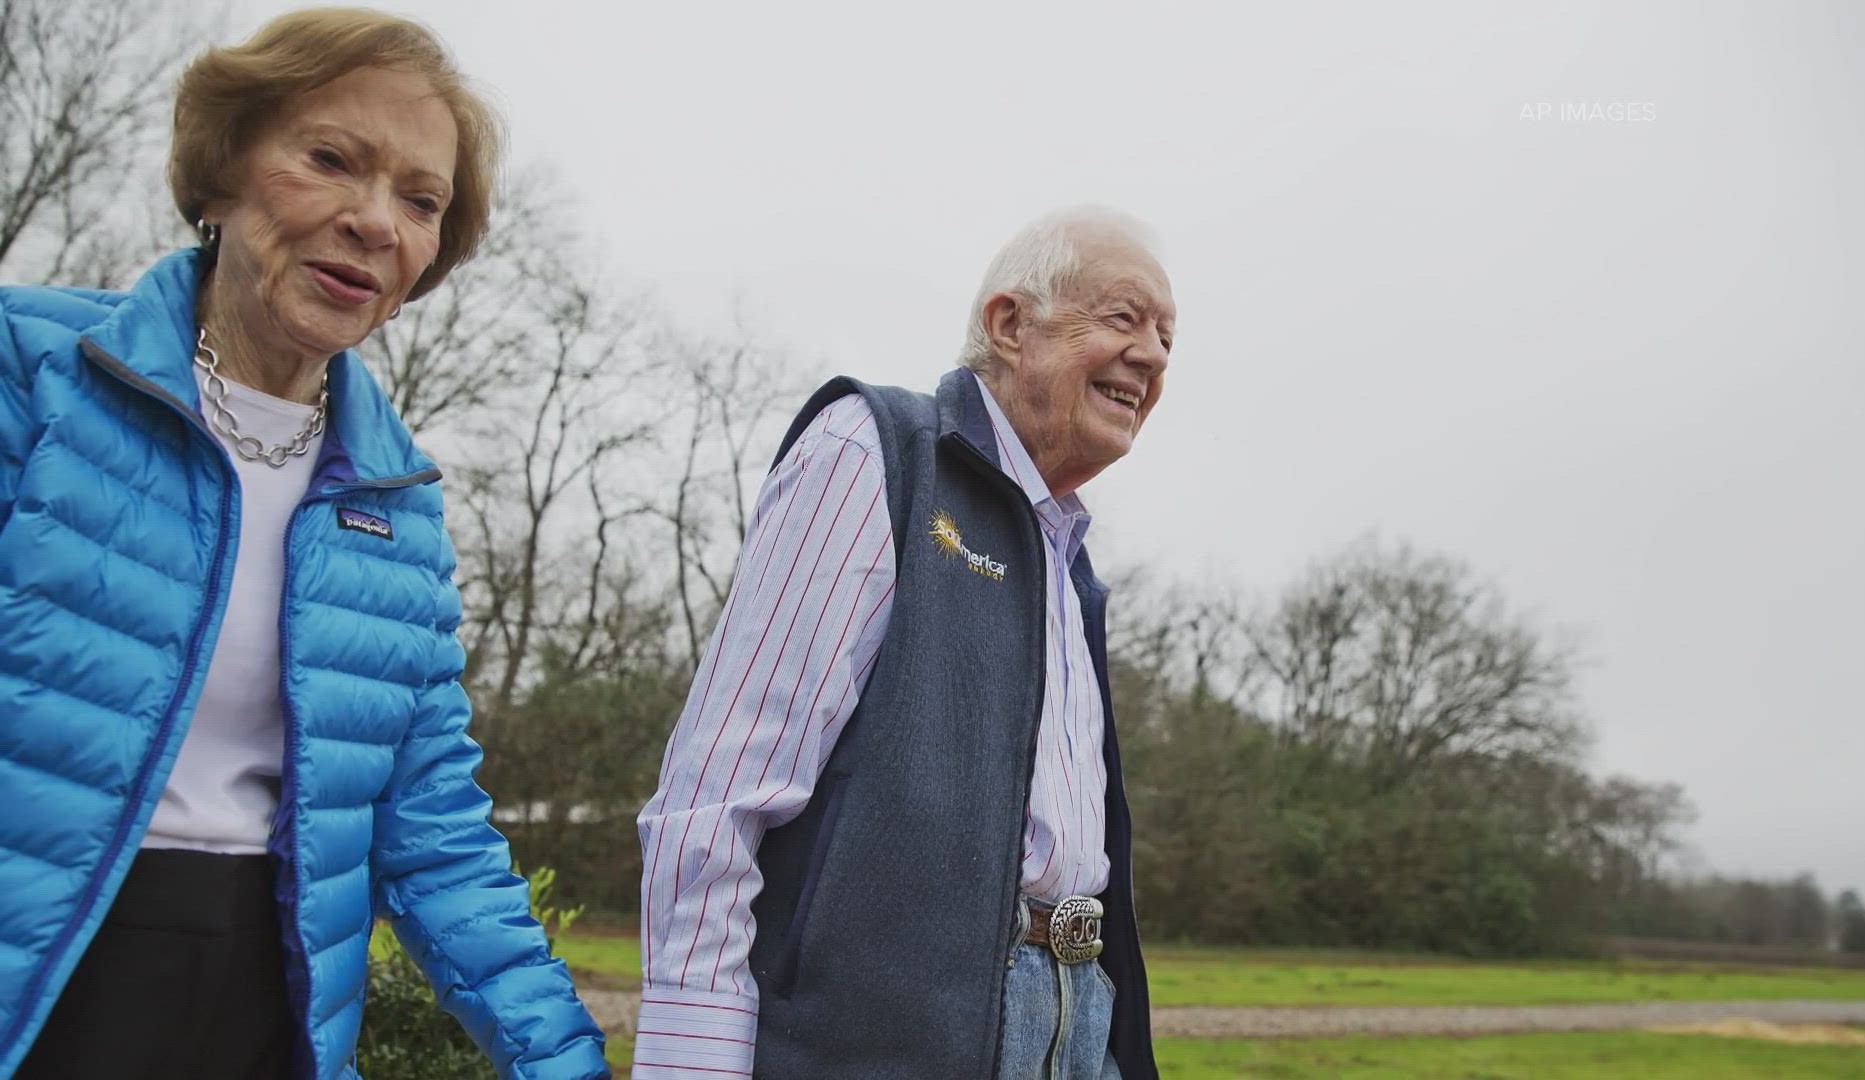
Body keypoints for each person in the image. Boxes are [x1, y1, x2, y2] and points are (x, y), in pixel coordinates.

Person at [0, 9, 606, 1078]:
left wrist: (564, 1062)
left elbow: (435, 838)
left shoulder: (396, 505)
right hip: (44, 982)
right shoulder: (34, 369)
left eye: (422, 202)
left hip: (261, 1008)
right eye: (332, 160)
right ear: (224, 169)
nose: (376, 222)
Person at [634, 208, 1175, 1079]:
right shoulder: (875, 450)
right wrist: (690, 1065)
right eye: (1122, 318)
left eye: (1165, 336)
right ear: (1010, 324)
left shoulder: (1073, 568)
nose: (1151, 355)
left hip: (1079, 1025)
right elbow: (717, 798)